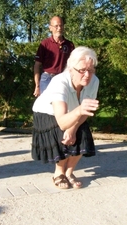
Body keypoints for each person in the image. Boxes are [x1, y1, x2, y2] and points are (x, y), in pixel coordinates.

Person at [31, 46, 99, 189]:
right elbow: (62, 122)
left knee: (83, 133)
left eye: (91, 70)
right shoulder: (59, 82)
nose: (87, 75)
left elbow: (86, 111)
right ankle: (59, 173)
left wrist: (74, 129)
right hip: (47, 113)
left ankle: (69, 172)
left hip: (74, 112)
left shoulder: (94, 81)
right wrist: (73, 122)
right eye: (82, 70)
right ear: (70, 69)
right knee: (63, 134)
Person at [33, 16, 75, 97]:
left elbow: (73, 65)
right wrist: (37, 86)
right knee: (46, 105)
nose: (59, 28)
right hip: (47, 79)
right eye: (56, 26)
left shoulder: (69, 45)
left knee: (62, 104)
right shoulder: (45, 44)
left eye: (61, 25)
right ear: (50, 28)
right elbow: (37, 65)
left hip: (62, 78)